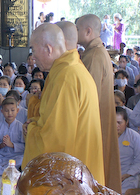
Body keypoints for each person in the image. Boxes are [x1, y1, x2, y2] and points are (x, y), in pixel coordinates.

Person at [23, 23, 105, 184]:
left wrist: (30, 129)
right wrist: (36, 121)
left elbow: (54, 142)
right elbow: (57, 121)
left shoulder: (65, 77)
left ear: (48, 49)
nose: (33, 57)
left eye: (33, 50)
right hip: (80, 167)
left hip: (73, 181)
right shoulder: (69, 68)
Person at [76, 14, 120, 192]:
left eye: (77, 29)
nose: (75, 32)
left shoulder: (94, 55)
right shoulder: (97, 52)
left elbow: (87, 96)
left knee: (93, 172)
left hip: (95, 121)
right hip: (101, 117)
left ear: (88, 31)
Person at [0, 98, 25, 177]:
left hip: (16, 156)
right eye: (6, 111)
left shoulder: (21, 127)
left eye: (12, 110)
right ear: (2, 111)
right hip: (0, 156)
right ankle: (8, 172)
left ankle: (1, 171)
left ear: (17, 110)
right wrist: (0, 145)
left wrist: (12, 145)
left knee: (22, 160)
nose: (9, 113)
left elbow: (25, 147)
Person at [116, 106, 140, 195]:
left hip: (128, 175)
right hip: (108, 174)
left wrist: (128, 174)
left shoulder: (134, 137)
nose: (116, 126)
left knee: (126, 190)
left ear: (126, 122)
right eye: (113, 122)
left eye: (119, 122)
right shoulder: (104, 136)